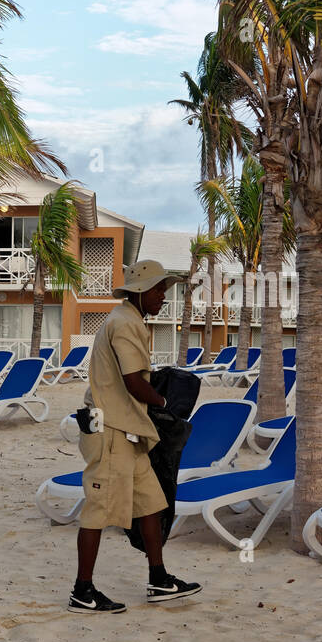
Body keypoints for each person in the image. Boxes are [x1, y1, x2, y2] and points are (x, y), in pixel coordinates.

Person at [69, 259, 202, 614]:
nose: (163, 296)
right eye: (159, 290)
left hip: (129, 430)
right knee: (98, 511)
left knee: (151, 503)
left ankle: (158, 578)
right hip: (112, 430)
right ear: (141, 292)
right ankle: (82, 590)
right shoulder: (125, 322)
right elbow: (132, 381)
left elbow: (131, 377)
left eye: (165, 290)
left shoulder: (128, 319)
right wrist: (164, 402)